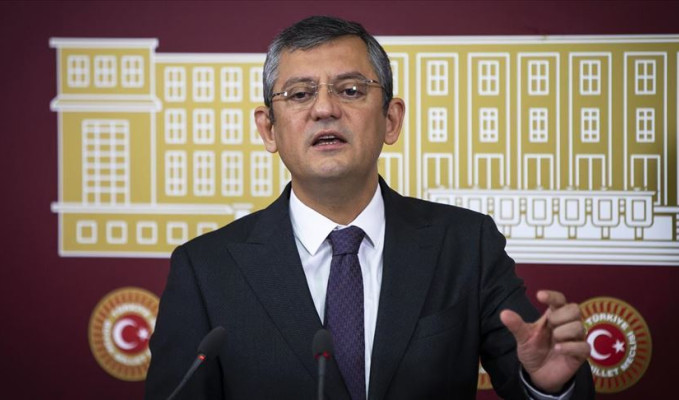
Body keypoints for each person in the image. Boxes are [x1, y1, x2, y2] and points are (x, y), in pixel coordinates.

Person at [145, 16, 594, 400]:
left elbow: (536, 367)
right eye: (299, 94)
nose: (325, 109)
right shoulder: (205, 269)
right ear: (269, 130)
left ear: (391, 119)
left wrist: (548, 385)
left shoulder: (466, 245)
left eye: (350, 90)